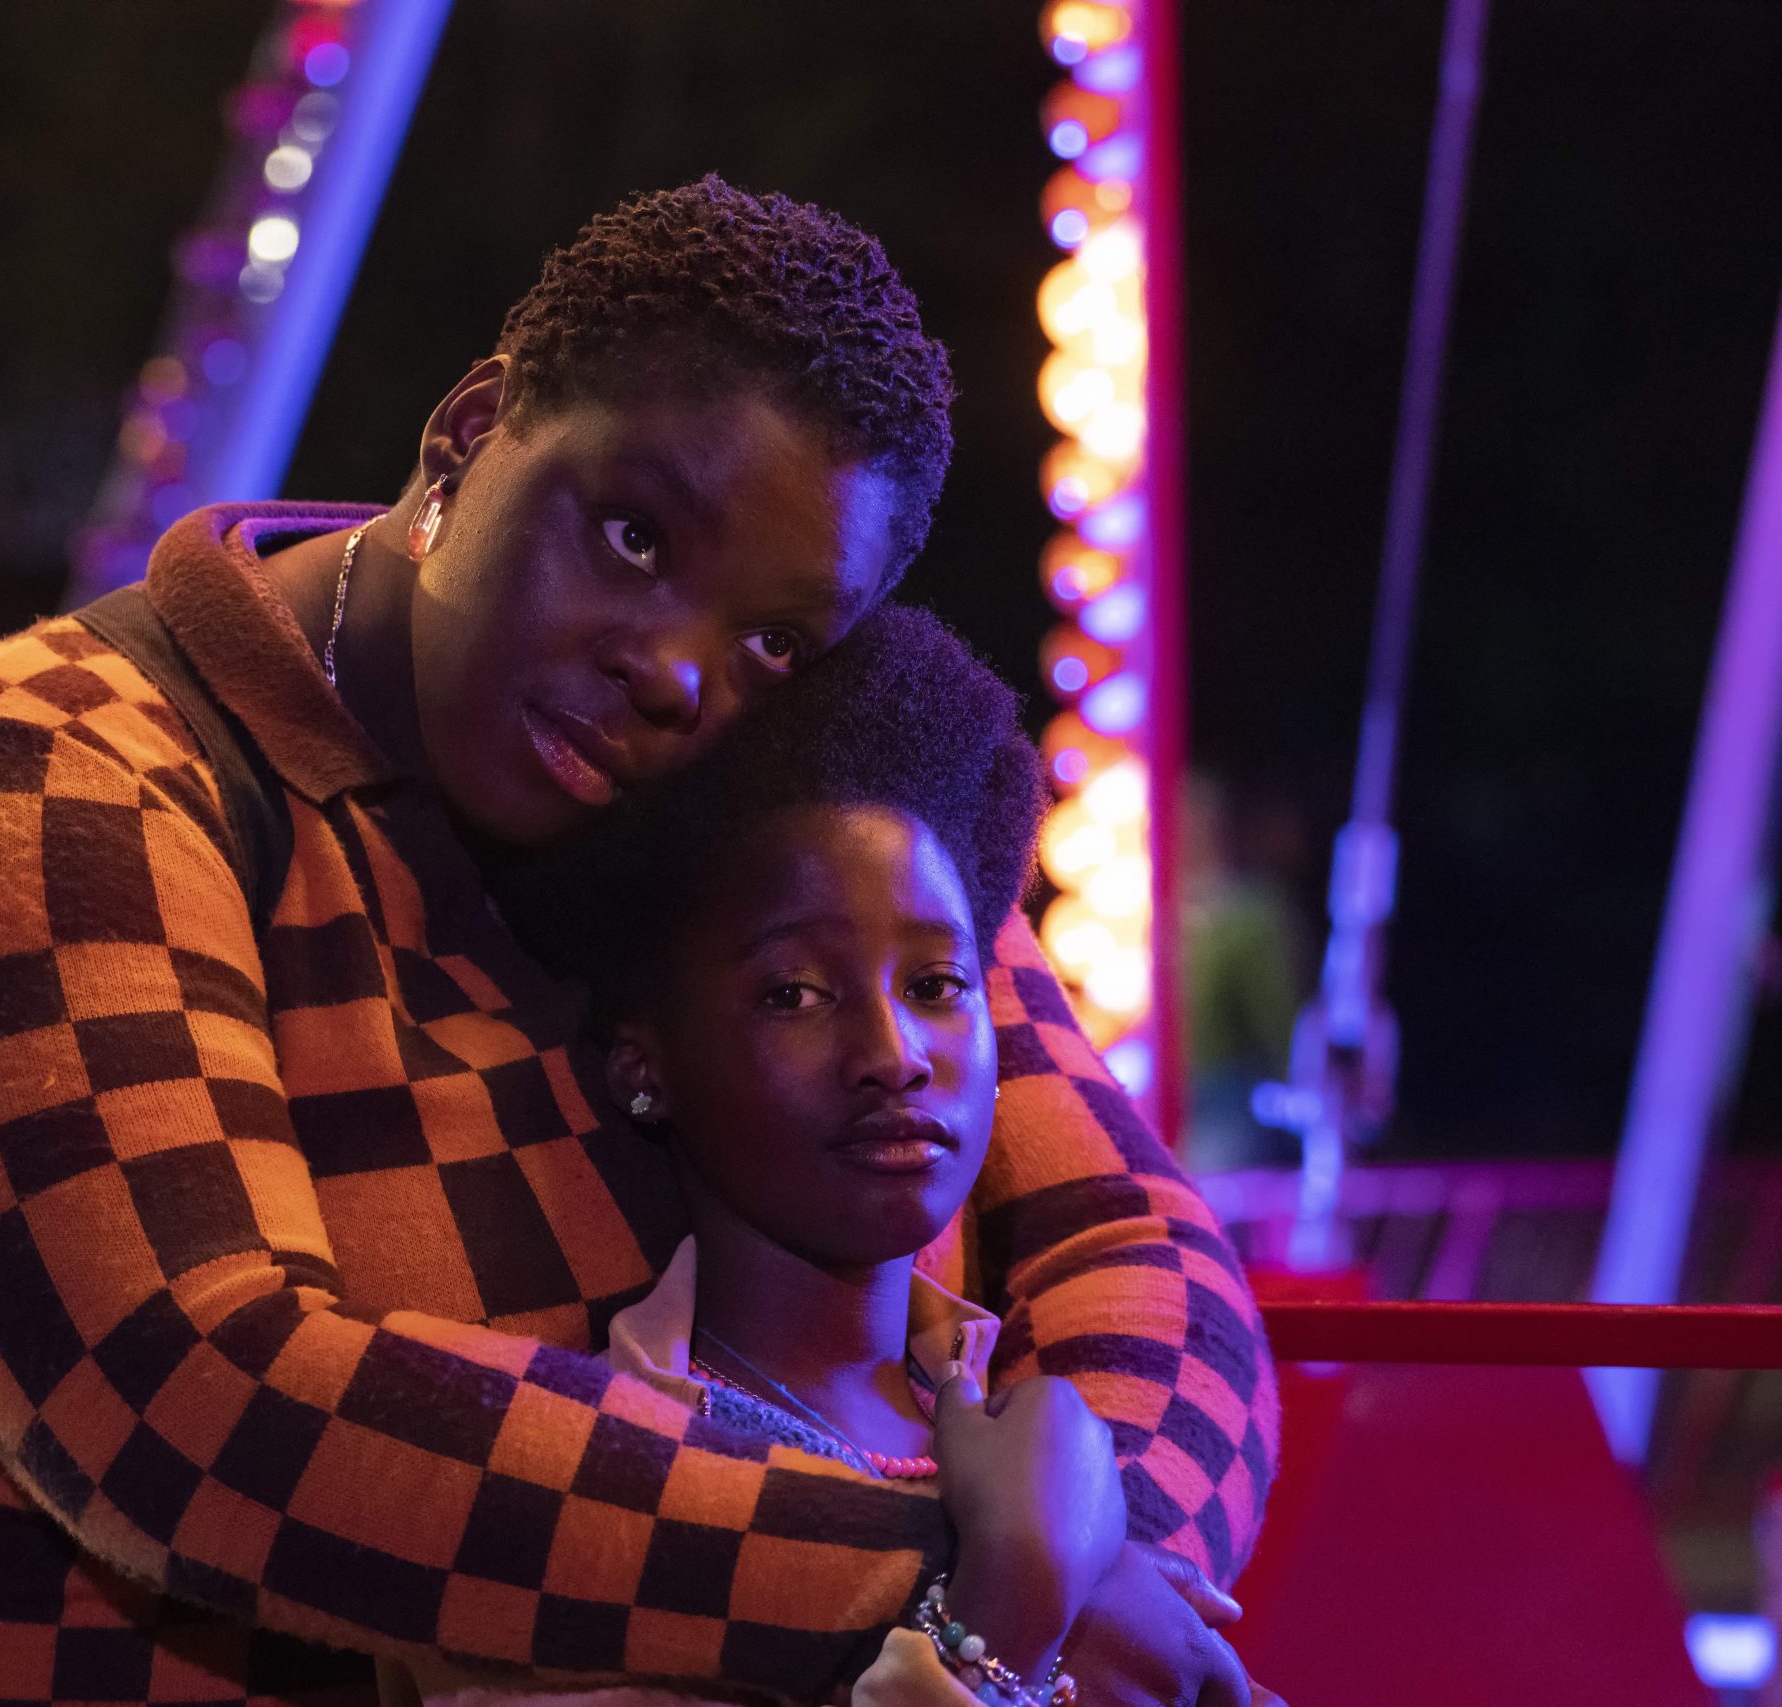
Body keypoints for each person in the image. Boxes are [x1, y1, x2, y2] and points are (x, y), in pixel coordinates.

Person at [0, 178, 1277, 1707]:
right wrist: (948, 1574)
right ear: (469, 435)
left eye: (773, 640)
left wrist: (1105, 1550)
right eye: (634, 535)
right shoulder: (50, 769)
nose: (678, 672)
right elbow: (190, 1397)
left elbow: (1140, 1246)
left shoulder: (788, 805)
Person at [410, 604, 1272, 1707]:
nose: (893, 1055)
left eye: (936, 985)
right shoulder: (589, 1489)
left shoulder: (1035, 1426)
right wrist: (1013, 1593)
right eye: (794, 994)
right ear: (644, 1062)